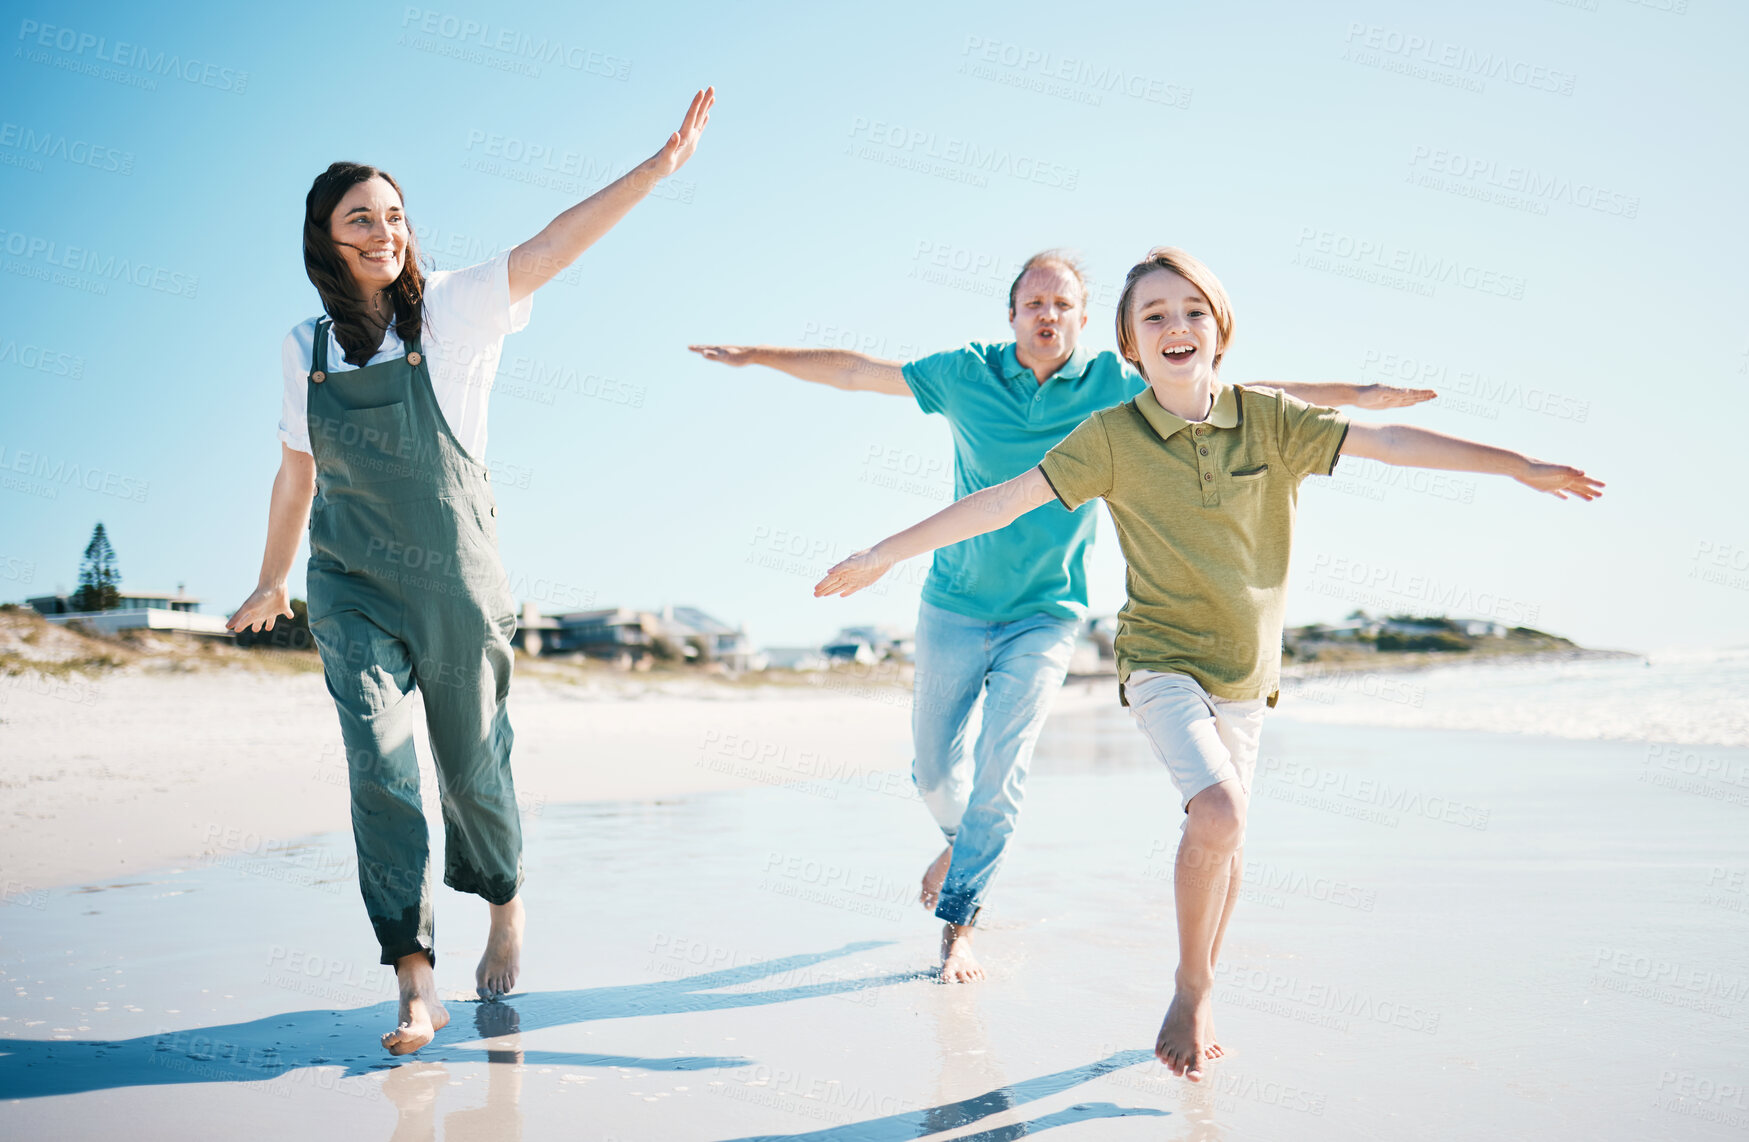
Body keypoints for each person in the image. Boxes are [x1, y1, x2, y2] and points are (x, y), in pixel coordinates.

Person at [812, 245, 1601, 1075]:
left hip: (1248, 672)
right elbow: (1002, 499)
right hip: (1159, 659)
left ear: (1218, 330)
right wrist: (884, 552)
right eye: (1151, 316)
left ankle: (1202, 979)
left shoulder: (1268, 418)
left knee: (1228, 836)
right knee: (1218, 812)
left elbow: (1391, 439)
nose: (1173, 326)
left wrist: (1516, 465)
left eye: (1189, 311)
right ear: (1127, 346)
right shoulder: (1109, 437)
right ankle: (1189, 986)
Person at [690, 252, 1435, 983]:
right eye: (1034, 304)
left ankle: (960, 926)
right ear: (1011, 316)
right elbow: (857, 371)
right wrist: (757, 356)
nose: (1048, 315)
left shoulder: (1114, 383)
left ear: (1084, 320)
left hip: (1049, 613)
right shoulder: (963, 374)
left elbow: (1232, 383)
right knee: (930, 772)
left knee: (999, 771)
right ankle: (963, 842)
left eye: (1062, 305)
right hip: (953, 601)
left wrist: (1360, 393)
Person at [227, 88, 715, 1055]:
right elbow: (296, 472)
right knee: (379, 766)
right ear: (326, 240)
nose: (384, 231)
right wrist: (271, 579)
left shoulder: (452, 311)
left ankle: (504, 899)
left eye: (396, 215)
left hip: (457, 579)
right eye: (361, 218)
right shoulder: (306, 348)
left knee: (473, 769)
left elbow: (550, 245)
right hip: (349, 584)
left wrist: (654, 173)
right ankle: (414, 979)